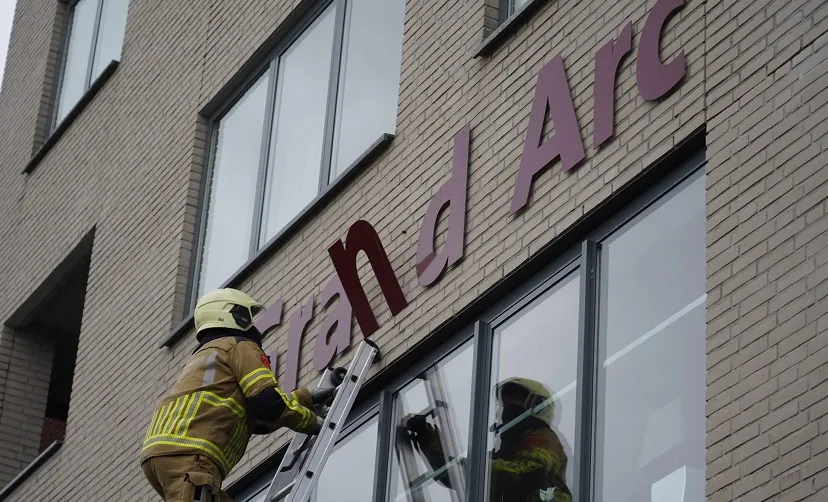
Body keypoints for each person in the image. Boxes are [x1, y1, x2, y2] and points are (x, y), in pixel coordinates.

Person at [140, 288, 336, 502]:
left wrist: (306, 398)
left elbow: (257, 418)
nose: (253, 325)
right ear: (231, 315)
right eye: (247, 316)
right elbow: (267, 403)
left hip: (161, 457)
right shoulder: (240, 346)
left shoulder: (205, 357)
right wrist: (314, 423)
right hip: (193, 457)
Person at [403, 377, 572, 502]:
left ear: (536, 405)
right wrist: (427, 436)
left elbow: (527, 472)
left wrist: (475, 468)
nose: (507, 408)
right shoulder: (504, 453)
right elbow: (454, 475)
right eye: (506, 403)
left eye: (515, 401)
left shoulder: (543, 438)